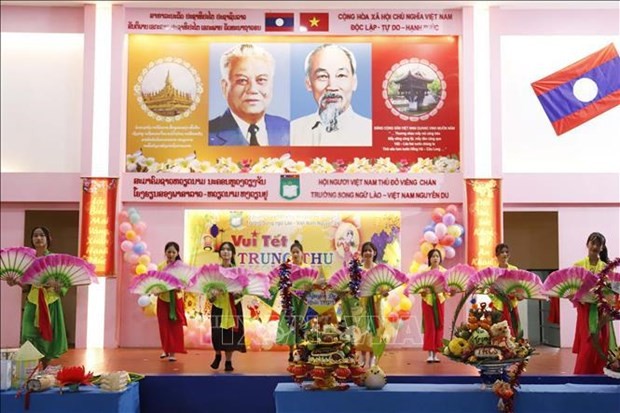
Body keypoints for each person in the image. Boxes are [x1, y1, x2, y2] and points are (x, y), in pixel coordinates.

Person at [6, 227, 68, 367]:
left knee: (46, 338)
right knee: (28, 335)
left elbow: (65, 285)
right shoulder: (27, 260)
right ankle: (31, 370)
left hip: (50, 303)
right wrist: (16, 282)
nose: (38, 238)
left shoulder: (55, 259)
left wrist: (56, 285)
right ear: (32, 239)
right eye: (35, 235)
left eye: (41, 235)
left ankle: (45, 371)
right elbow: (27, 286)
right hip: (33, 302)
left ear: (48, 239)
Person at [291, 44, 372, 146]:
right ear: (308, 83)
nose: (332, 86)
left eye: (341, 75)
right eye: (323, 76)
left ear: (354, 82)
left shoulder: (371, 132)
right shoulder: (293, 131)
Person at [209, 44, 289, 146]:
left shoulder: (288, 129)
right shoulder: (208, 135)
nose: (252, 90)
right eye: (242, 80)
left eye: (261, 80)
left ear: (271, 84)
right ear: (225, 87)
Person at [572, 232, 614, 374]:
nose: (595, 246)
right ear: (587, 244)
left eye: (598, 244)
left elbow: (611, 292)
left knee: (602, 341)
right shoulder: (577, 266)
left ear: (602, 247)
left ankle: (601, 374)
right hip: (585, 311)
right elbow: (572, 289)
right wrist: (573, 295)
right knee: (588, 343)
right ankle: (582, 375)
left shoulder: (607, 268)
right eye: (592, 243)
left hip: (602, 310)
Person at [209, 241, 246, 372]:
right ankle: (218, 355)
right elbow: (209, 294)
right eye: (223, 249)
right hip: (218, 306)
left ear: (233, 253)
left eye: (228, 250)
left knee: (231, 335)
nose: (226, 252)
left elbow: (243, 291)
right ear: (220, 253)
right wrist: (212, 294)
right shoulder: (214, 272)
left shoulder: (238, 272)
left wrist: (238, 294)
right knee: (217, 333)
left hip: (233, 307)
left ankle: (228, 361)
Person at [276, 240, 311, 362]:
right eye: (293, 252)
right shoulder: (287, 268)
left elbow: (311, 284)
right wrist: (287, 288)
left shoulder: (307, 268)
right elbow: (282, 284)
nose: (295, 254)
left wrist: (306, 289)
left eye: (297, 252)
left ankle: (301, 350)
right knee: (290, 325)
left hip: (303, 302)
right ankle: (291, 352)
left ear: (302, 253)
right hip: (290, 301)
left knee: (302, 325)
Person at [156, 242, 187, 362]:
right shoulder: (160, 266)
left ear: (177, 253)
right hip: (163, 299)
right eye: (169, 252)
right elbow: (157, 280)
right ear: (165, 253)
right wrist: (156, 289)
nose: (171, 254)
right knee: (163, 326)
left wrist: (180, 286)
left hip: (176, 299)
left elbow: (184, 283)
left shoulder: (181, 267)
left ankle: (173, 352)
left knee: (175, 326)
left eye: (173, 252)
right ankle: (165, 349)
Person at [421, 249, 446, 363]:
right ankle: (429, 353)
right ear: (429, 259)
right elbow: (420, 287)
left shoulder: (445, 272)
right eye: (433, 256)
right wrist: (423, 291)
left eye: (437, 256)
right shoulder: (424, 272)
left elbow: (447, 290)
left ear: (440, 259)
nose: (435, 258)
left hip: (440, 301)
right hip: (428, 301)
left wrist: (452, 291)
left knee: (439, 325)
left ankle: (436, 352)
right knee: (429, 326)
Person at [492, 243, 521, 337]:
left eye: (506, 252)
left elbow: (518, 286)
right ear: (497, 255)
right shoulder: (493, 271)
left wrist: (518, 294)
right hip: (498, 304)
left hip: (511, 303)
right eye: (501, 252)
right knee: (497, 328)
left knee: (514, 325)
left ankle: (513, 346)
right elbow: (490, 288)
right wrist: (494, 293)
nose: (504, 254)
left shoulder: (514, 269)